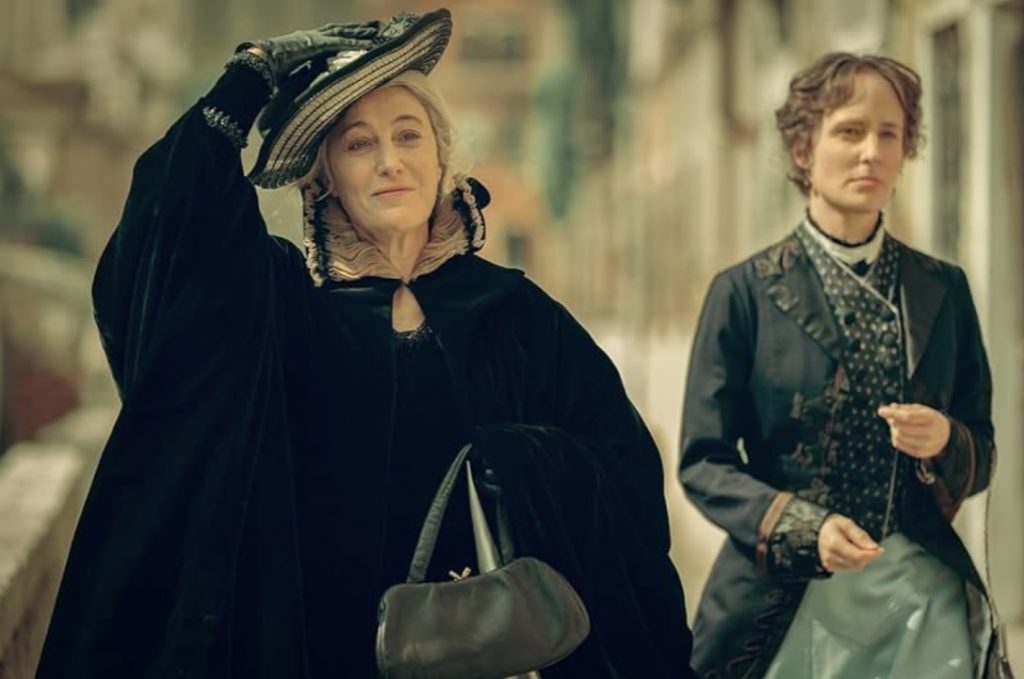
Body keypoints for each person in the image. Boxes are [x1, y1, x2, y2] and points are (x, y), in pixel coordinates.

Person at [37, 9, 695, 678]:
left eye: (408, 135)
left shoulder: (520, 319)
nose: (389, 161)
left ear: (441, 157)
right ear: (327, 178)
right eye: (358, 144)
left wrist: (520, 461)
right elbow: (167, 238)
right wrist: (250, 75)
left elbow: (625, 483)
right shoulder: (285, 321)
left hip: (492, 660)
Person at [679, 52, 1003, 678]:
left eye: (890, 134)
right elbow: (704, 462)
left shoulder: (943, 288)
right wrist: (804, 527)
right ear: (803, 149)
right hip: (788, 599)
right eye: (850, 131)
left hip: (921, 597)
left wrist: (945, 438)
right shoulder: (744, 292)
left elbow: (982, 450)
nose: (871, 153)